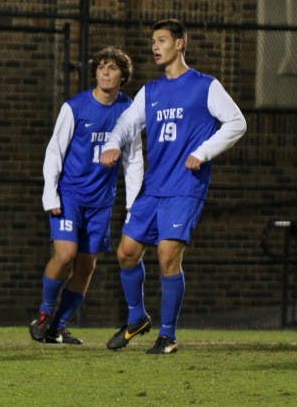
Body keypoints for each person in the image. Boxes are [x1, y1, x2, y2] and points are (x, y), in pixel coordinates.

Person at [100, 19, 247, 355]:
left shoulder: (204, 86)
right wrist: (113, 143)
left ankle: (167, 335)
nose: (155, 47)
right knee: (126, 252)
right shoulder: (150, 92)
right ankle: (137, 317)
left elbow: (237, 122)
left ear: (181, 44)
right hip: (154, 187)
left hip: (185, 186)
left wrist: (203, 151)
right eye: (153, 41)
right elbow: (126, 124)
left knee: (167, 256)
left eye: (162, 40)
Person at [29, 46, 143, 345]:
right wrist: (50, 195)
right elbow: (55, 151)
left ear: (123, 76)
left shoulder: (128, 111)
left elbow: (133, 159)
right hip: (70, 196)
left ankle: (58, 327)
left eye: (112, 68)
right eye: (101, 67)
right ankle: (43, 313)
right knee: (65, 254)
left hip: (101, 202)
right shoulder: (75, 107)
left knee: (87, 265)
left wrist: (133, 205)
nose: (105, 72)